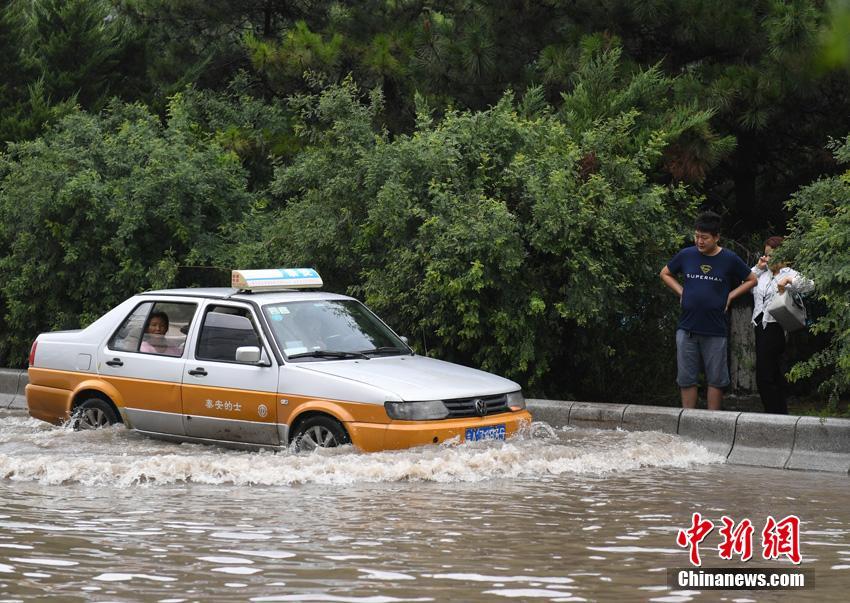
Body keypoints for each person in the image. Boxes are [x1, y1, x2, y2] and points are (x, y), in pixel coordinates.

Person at [660, 211, 757, 410]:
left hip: (715, 329)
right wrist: (682, 292)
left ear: (716, 237)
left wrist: (731, 295)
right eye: (696, 236)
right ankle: (687, 420)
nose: (699, 241)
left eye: (704, 237)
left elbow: (752, 279)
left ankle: (713, 422)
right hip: (687, 328)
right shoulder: (687, 254)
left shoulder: (729, 258)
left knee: (716, 379)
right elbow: (665, 273)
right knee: (686, 378)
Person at [750, 236, 814, 414]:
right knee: (771, 372)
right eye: (765, 255)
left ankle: (773, 412)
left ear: (783, 257)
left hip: (776, 327)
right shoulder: (761, 273)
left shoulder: (788, 272)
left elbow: (810, 286)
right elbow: (744, 283)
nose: (767, 259)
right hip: (759, 326)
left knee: (765, 374)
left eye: (771, 256)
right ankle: (778, 411)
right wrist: (757, 267)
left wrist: (787, 282)